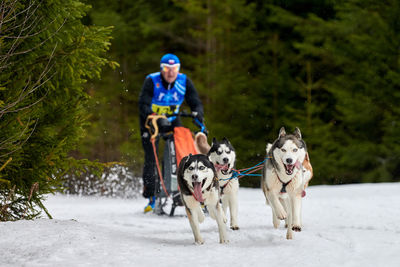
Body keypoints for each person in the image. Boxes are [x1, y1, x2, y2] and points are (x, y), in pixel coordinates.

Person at [138, 53, 204, 213]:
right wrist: (153, 116)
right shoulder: (152, 80)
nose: (170, 72)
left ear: (178, 69)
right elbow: (143, 104)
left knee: (182, 149)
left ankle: (181, 189)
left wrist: (197, 114)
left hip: (173, 120)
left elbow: (195, 101)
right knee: (151, 157)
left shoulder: (184, 81)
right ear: (161, 69)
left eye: (174, 69)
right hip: (151, 121)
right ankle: (151, 197)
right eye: (167, 68)